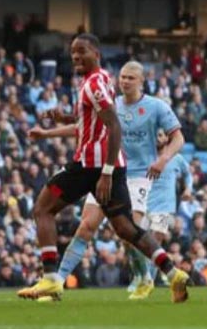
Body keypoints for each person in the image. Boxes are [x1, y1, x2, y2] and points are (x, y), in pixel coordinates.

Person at [17, 39, 189, 303]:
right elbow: (85, 122)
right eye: (72, 52)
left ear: (96, 54)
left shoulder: (103, 87)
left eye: (81, 51)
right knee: (124, 228)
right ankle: (172, 272)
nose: (75, 56)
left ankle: (52, 278)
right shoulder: (99, 83)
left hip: (98, 165)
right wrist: (54, 127)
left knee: (43, 208)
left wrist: (109, 171)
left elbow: (114, 127)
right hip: (112, 166)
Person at [129, 129, 192, 300]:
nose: (157, 138)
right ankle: (141, 277)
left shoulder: (176, 158)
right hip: (143, 205)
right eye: (154, 135)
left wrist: (187, 189)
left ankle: (148, 281)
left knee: (155, 241)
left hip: (164, 207)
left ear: (167, 138)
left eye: (161, 135)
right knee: (136, 243)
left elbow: (188, 174)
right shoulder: (144, 158)